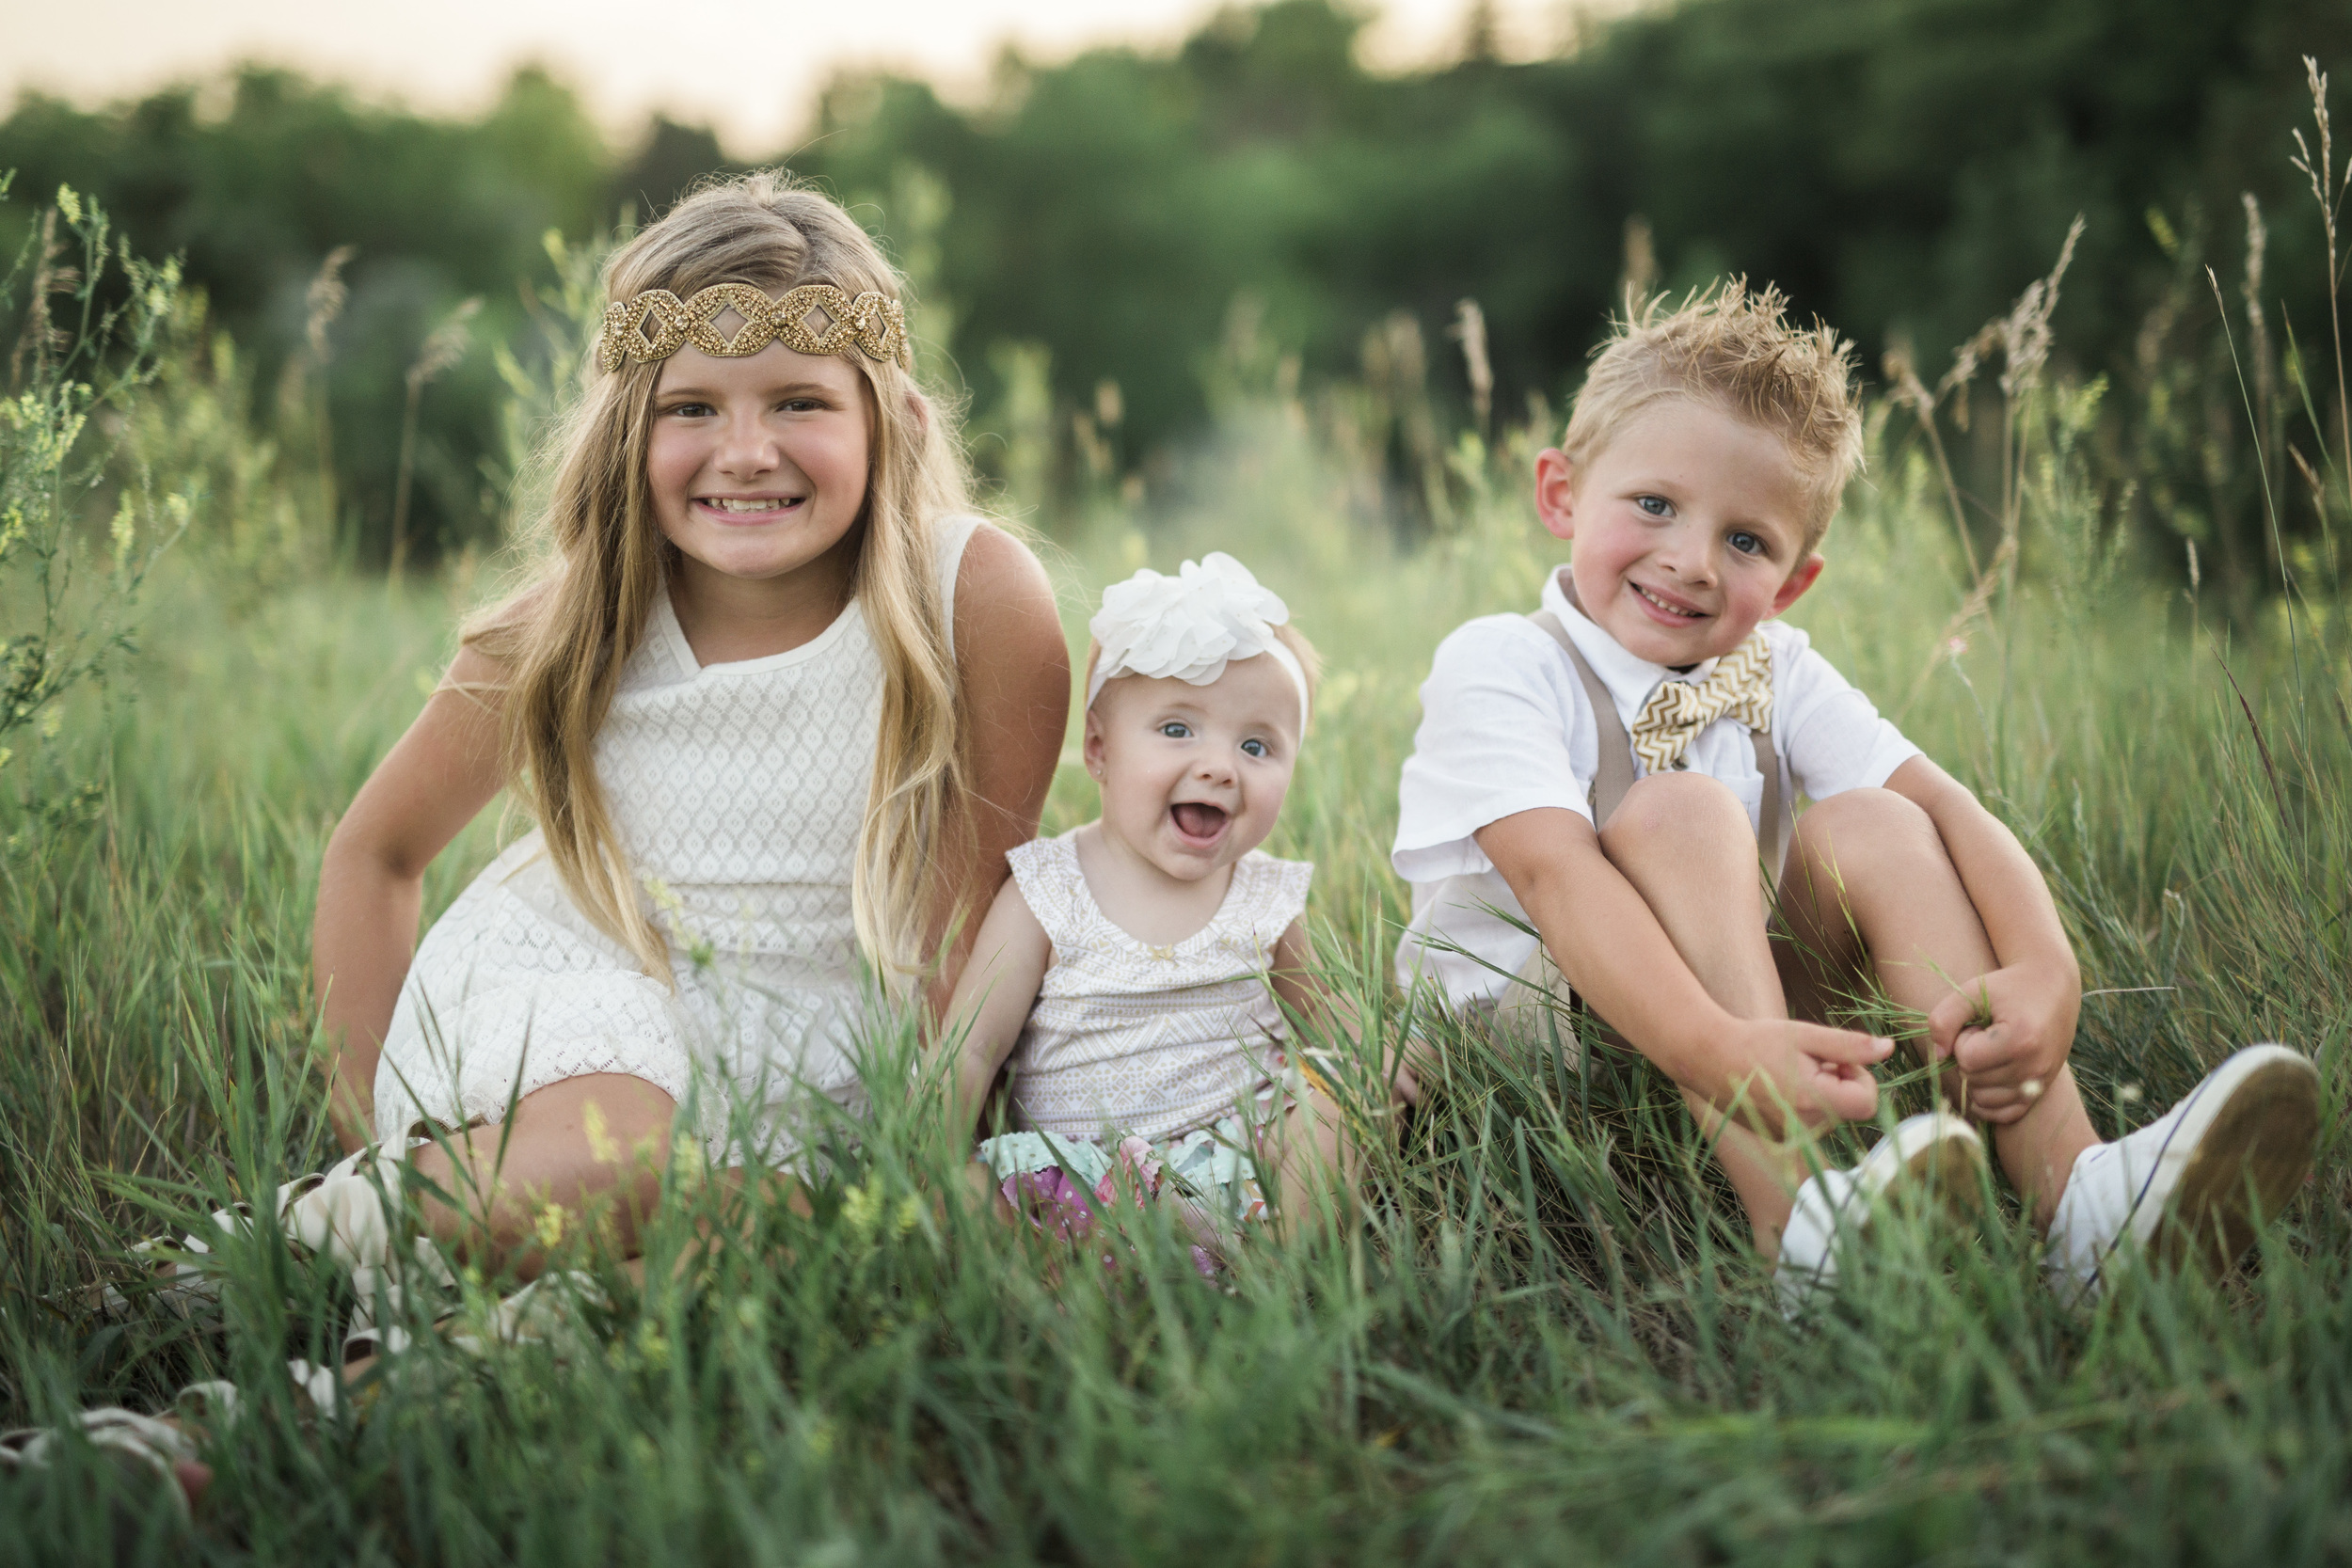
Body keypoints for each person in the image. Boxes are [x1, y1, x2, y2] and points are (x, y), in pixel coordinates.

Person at [1390, 282, 2321, 1310]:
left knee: (1877, 820)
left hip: (1749, 1025)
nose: (1691, 561)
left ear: (1790, 582)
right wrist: (1719, 1049)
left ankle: (2077, 1197)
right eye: (1653, 504)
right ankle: (1796, 1230)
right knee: (1683, 809)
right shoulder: (1503, 660)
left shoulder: (1775, 664)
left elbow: (1949, 807)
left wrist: (2047, 971)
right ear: (1561, 494)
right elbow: (1554, 877)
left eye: (1746, 541)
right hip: (1554, 1051)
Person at [940, 554, 1352, 1259]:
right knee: (977, 1192)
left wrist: (1382, 1055)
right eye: (1177, 730)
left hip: (1240, 1169)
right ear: (1098, 749)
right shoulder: (1049, 889)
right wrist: (937, 1162)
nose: (1220, 765)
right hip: (1083, 1180)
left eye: (1256, 745)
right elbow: (971, 1046)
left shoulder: (1267, 899)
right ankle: (1106, 1271)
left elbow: (1331, 1020)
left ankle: (1273, 1264)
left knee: (1338, 1101)